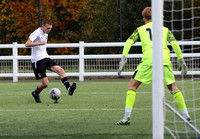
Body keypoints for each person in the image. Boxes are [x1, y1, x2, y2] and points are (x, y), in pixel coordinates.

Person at [116, 7, 190, 125]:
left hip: (148, 61)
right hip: (164, 59)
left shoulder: (140, 29)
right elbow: (174, 43)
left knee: (132, 86)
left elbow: (129, 41)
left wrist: (123, 59)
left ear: (144, 19)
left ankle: (126, 117)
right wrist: (181, 60)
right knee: (173, 88)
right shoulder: (164, 29)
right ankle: (186, 115)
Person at [25, 19, 76, 103]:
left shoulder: (45, 33)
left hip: (46, 58)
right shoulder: (36, 33)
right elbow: (27, 44)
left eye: (50, 28)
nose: (49, 30)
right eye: (48, 28)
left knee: (60, 70)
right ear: (43, 26)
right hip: (37, 61)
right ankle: (35, 93)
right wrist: (40, 43)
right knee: (45, 84)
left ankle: (69, 88)